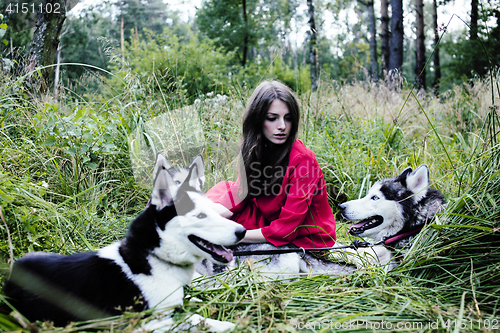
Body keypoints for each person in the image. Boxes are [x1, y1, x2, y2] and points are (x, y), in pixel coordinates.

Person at [207, 80, 337, 248]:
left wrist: (228, 234)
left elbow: (285, 229)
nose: (282, 126)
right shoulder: (255, 150)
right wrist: (202, 220)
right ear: (257, 120)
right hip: (269, 219)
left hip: (305, 236)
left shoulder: (304, 161)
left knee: (227, 220)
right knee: (222, 190)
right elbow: (238, 196)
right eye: (272, 118)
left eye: (288, 118)